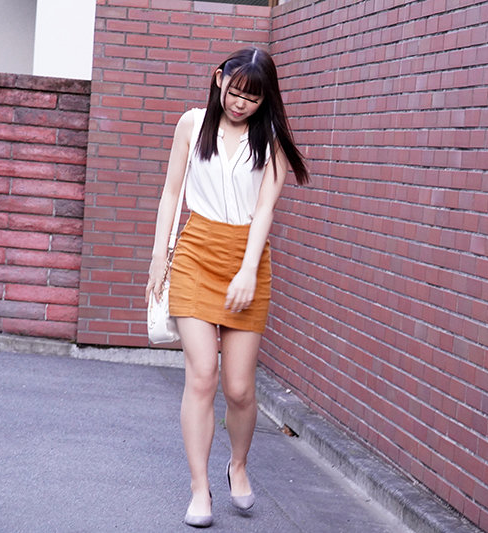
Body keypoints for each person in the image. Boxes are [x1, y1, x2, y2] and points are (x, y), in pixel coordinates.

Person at [144, 47, 309, 528]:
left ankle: (237, 464)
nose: (240, 104)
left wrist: (248, 270)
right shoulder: (192, 124)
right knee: (202, 376)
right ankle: (200, 489)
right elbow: (171, 192)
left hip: (246, 259)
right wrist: (159, 256)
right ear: (219, 79)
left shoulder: (271, 141)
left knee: (238, 388)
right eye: (235, 92)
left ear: (265, 99)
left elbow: (265, 211)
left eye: (252, 98)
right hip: (195, 253)